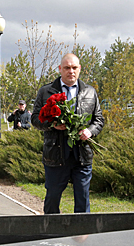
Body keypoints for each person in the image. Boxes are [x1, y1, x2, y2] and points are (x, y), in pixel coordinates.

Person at [31, 53, 104, 214]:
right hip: (55, 155)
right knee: (53, 198)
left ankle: (81, 236)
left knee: (83, 199)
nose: (71, 71)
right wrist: (52, 124)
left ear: (80, 69)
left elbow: (99, 120)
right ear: (60, 69)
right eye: (67, 68)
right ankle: (51, 234)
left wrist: (89, 131)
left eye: (74, 68)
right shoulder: (46, 92)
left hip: (82, 156)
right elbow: (35, 119)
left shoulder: (90, 92)